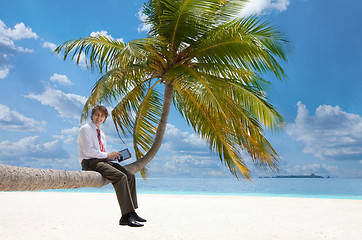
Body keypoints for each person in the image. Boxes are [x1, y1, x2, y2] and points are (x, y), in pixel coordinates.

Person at [78, 105, 146, 227]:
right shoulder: (85, 129)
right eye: (97, 115)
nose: (99, 117)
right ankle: (125, 217)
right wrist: (108, 155)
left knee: (129, 175)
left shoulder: (102, 133)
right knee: (120, 177)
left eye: (102, 116)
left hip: (101, 161)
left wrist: (113, 156)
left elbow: (101, 153)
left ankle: (131, 211)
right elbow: (88, 152)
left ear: (105, 118)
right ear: (92, 116)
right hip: (89, 162)